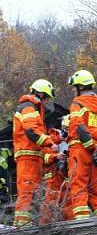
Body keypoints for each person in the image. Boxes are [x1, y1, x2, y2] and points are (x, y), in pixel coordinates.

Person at [66, 70, 97, 219]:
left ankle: (82, 225)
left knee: (78, 187)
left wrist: (93, 148)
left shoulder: (77, 104)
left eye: (75, 87)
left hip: (81, 151)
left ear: (80, 88)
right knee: (95, 191)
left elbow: (80, 128)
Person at [12, 79, 57, 226]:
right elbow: (32, 132)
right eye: (46, 98)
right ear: (40, 94)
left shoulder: (35, 110)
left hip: (33, 158)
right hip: (27, 157)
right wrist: (50, 143)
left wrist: (52, 141)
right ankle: (22, 227)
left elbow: (37, 135)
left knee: (32, 193)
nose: (47, 101)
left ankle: (26, 224)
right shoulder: (28, 107)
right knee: (26, 192)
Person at [41, 115, 71, 224]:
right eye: (66, 128)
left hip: (67, 177)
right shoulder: (52, 139)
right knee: (50, 203)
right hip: (53, 177)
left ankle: (70, 227)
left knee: (68, 204)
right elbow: (44, 158)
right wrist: (56, 157)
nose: (67, 131)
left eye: (69, 128)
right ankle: (43, 229)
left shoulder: (74, 140)